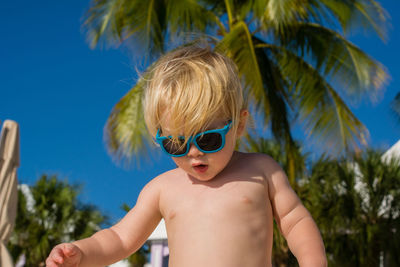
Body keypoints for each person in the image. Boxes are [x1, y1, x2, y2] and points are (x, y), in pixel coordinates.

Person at [46, 45, 327, 267]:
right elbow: (119, 238)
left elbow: (295, 221)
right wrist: (81, 252)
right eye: (176, 144)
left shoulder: (261, 170)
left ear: (239, 125)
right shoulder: (162, 188)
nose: (194, 153)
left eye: (208, 139)